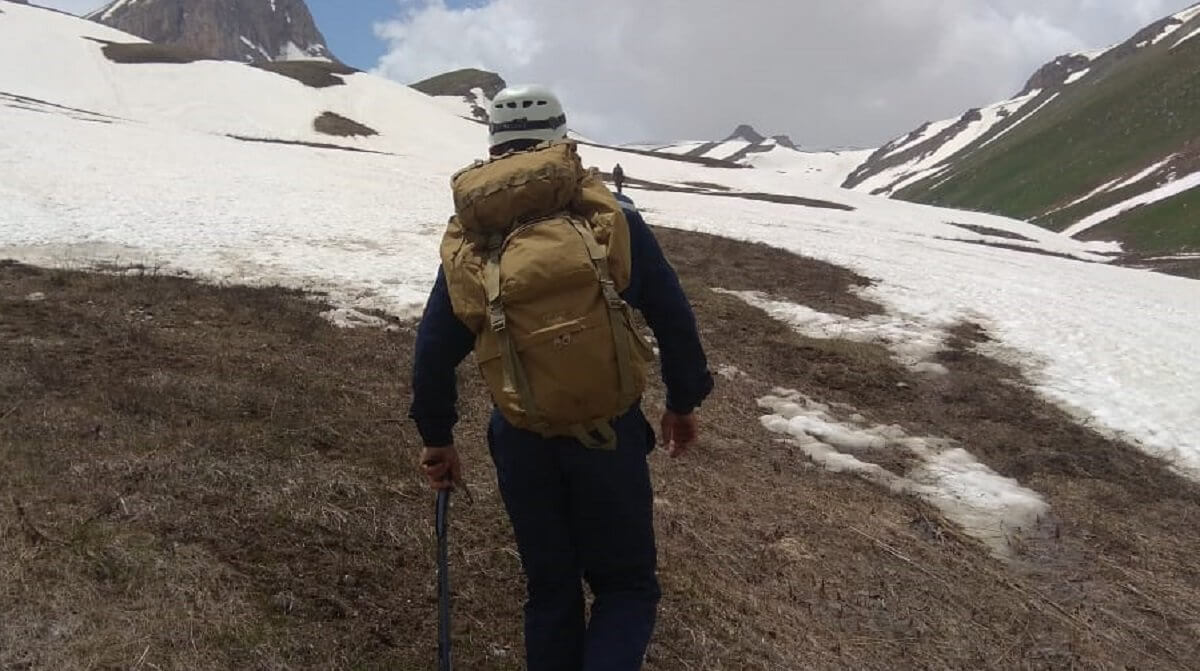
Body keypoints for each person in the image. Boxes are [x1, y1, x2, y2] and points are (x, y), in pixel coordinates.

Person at [409, 84, 713, 671]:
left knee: (551, 591)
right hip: (608, 434)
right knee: (626, 588)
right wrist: (681, 401)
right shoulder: (608, 215)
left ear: (494, 142)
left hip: (522, 439)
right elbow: (673, 315)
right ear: (561, 135)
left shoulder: (473, 235)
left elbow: (433, 349)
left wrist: (437, 437)